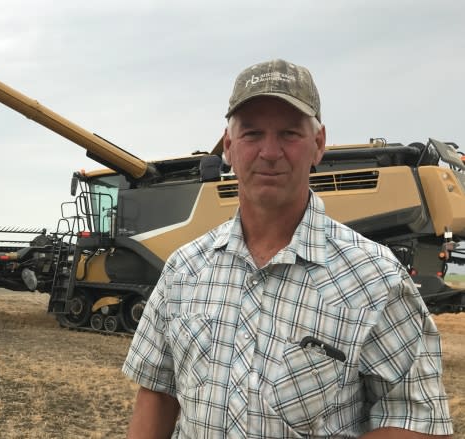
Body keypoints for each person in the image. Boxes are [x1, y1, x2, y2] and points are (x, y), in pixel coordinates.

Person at [122, 59, 453, 438]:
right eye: (252, 134)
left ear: (319, 144)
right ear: (229, 147)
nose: (270, 151)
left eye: (289, 134)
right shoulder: (183, 270)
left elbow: (411, 418)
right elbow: (158, 395)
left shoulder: (376, 279)